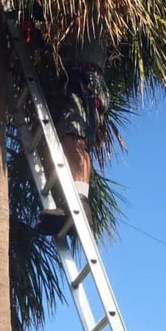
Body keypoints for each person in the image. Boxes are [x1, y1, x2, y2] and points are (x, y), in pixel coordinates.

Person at [36, 31, 109, 236]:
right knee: (73, 140)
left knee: (74, 140)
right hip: (83, 80)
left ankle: (80, 204)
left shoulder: (90, 13)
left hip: (84, 80)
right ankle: (75, 204)